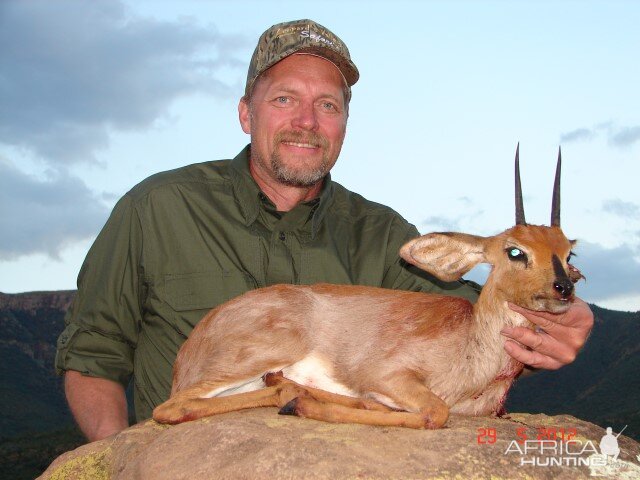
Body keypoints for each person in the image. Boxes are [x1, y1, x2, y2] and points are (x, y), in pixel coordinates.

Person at [56, 19, 594, 442]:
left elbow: (474, 330)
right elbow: (93, 354)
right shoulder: (158, 206)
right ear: (247, 113)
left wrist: (552, 325)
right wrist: (121, 454)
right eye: (285, 99)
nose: (306, 121)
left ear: (343, 126)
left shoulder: (384, 236)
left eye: (327, 105)